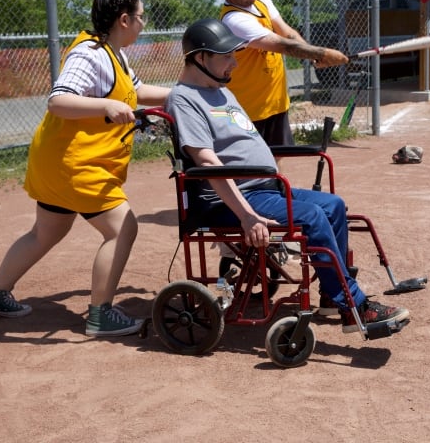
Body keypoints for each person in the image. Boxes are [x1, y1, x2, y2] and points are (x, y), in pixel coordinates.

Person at [164, 18, 410, 333]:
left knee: (333, 205)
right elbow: (207, 164)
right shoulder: (185, 99)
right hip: (235, 200)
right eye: (226, 56)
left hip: (263, 189)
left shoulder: (219, 90)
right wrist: (247, 216)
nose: (234, 63)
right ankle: (355, 307)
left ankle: (332, 297)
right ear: (201, 58)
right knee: (312, 217)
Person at [0, 0, 171, 337]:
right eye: (140, 17)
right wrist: (105, 107)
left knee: (47, 231)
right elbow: (58, 100)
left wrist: (182, 96)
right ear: (124, 20)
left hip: (59, 162)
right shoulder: (89, 54)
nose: (142, 24)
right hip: (75, 166)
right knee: (122, 228)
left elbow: (136, 90)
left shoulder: (115, 53)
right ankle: (100, 315)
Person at [218, 0, 348, 146]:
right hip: (249, 108)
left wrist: (314, 58)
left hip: (275, 102)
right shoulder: (234, 20)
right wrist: (323, 53)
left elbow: (287, 33)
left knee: (278, 158)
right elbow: (282, 45)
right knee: (251, 167)